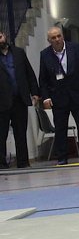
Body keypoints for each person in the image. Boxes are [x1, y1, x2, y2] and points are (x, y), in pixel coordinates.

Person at [39, 27, 79, 165]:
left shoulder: (76, 48)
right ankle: (62, 158)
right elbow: (43, 79)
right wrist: (46, 97)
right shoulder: (45, 55)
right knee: (60, 128)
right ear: (49, 40)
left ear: (63, 36)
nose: (57, 39)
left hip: (78, 94)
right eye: (53, 38)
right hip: (58, 97)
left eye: (59, 36)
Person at [0, 30, 38, 168]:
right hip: (2, 102)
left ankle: (23, 162)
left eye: (0, 36)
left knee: (21, 133)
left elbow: (29, 73)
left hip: (19, 99)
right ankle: (2, 164)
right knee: (1, 134)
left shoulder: (18, 53)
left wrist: (35, 92)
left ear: (5, 36)